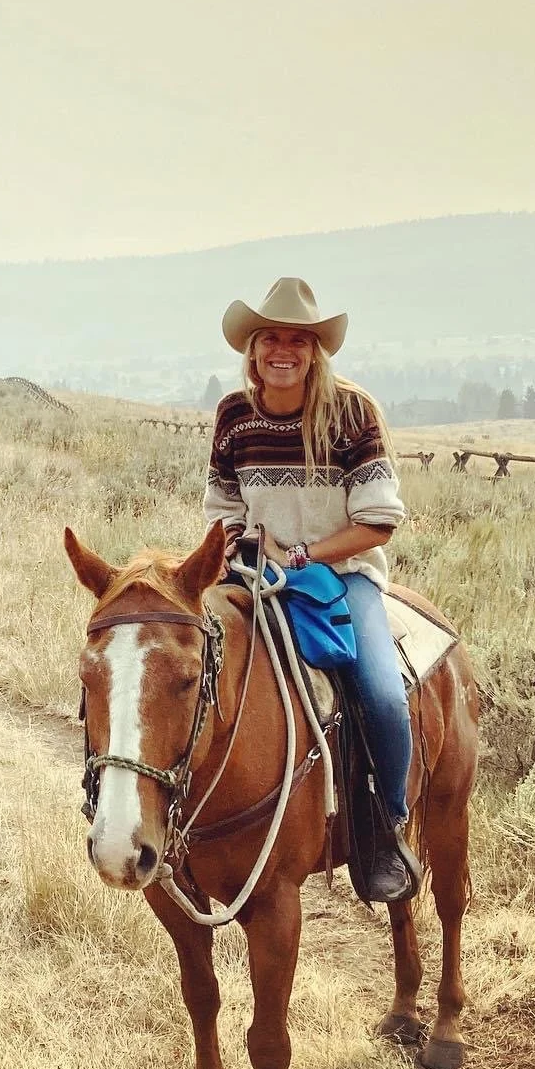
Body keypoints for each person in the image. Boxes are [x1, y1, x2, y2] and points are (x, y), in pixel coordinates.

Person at [203, 277, 420, 902]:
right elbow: (223, 504)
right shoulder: (233, 416)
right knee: (188, 661)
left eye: (298, 340)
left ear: (314, 350)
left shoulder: (352, 413)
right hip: (252, 575)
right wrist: (243, 546)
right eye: (272, 337)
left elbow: (378, 519)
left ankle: (385, 822)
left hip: (343, 580)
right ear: (253, 347)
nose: (284, 350)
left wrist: (303, 555)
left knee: (380, 694)